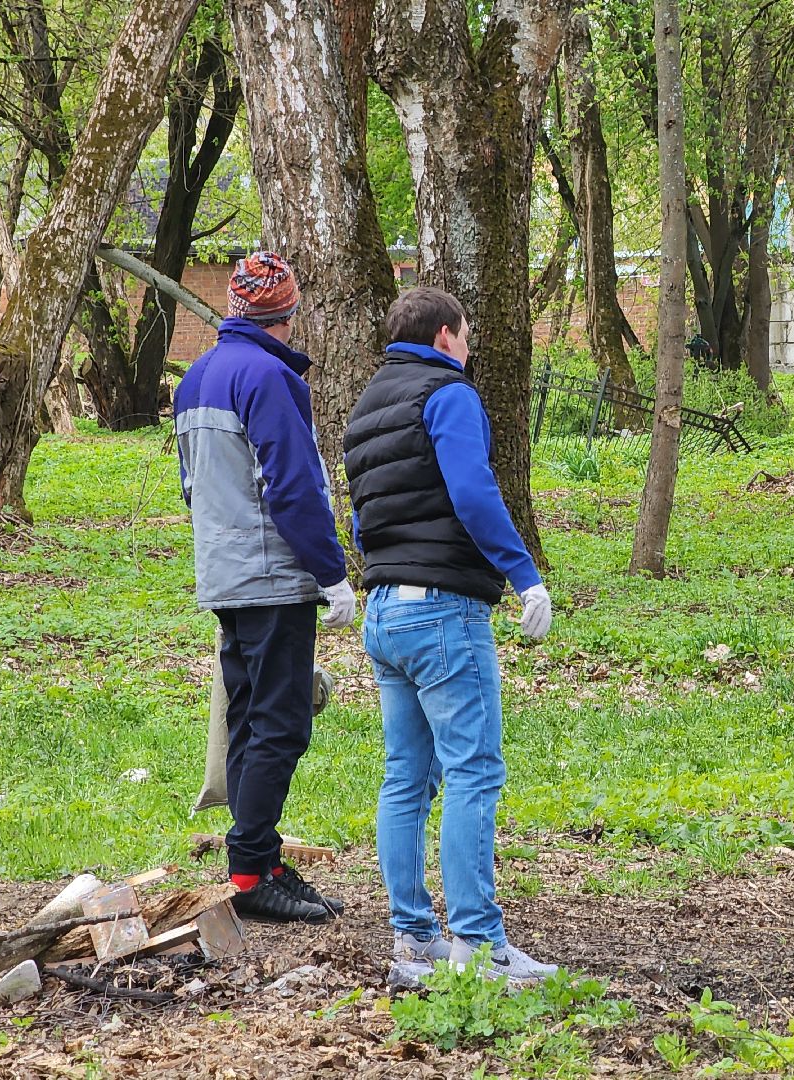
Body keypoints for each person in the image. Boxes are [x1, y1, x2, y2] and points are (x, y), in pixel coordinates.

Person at [344, 286, 555, 987]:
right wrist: (524, 575)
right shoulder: (449, 394)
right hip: (443, 614)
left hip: (384, 613)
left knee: (406, 776)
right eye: (467, 337)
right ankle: (479, 947)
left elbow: (361, 521)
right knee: (473, 772)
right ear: (443, 337)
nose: (470, 349)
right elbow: (473, 492)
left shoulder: (367, 407)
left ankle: (413, 938)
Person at [175, 251, 356, 924]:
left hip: (224, 573)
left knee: (250, 717)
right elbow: (294, 485)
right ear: (288, 312)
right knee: (280, 724)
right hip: (274, 576)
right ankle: (251, 873)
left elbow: (192, 487)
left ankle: (259, 857)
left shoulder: (195, 377)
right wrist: (331, 572)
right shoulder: (270, 377)